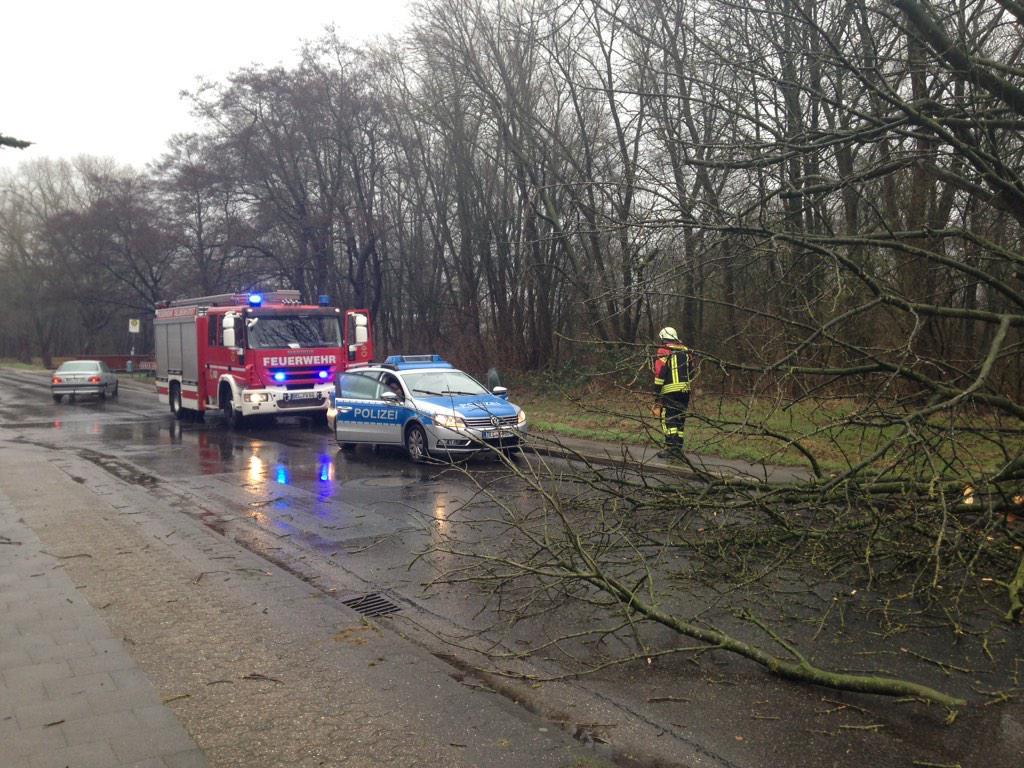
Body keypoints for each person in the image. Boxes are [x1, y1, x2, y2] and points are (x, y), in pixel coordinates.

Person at [653, 326, 694, 458]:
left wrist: (657, 395)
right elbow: (691, 371)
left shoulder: (664, 350)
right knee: (680, 419)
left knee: (668, 419)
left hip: (670, 392)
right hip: (685, 392)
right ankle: (678, 449)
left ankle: (671, 449)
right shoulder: (687, 351)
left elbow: (660, 373)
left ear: (664, 338)